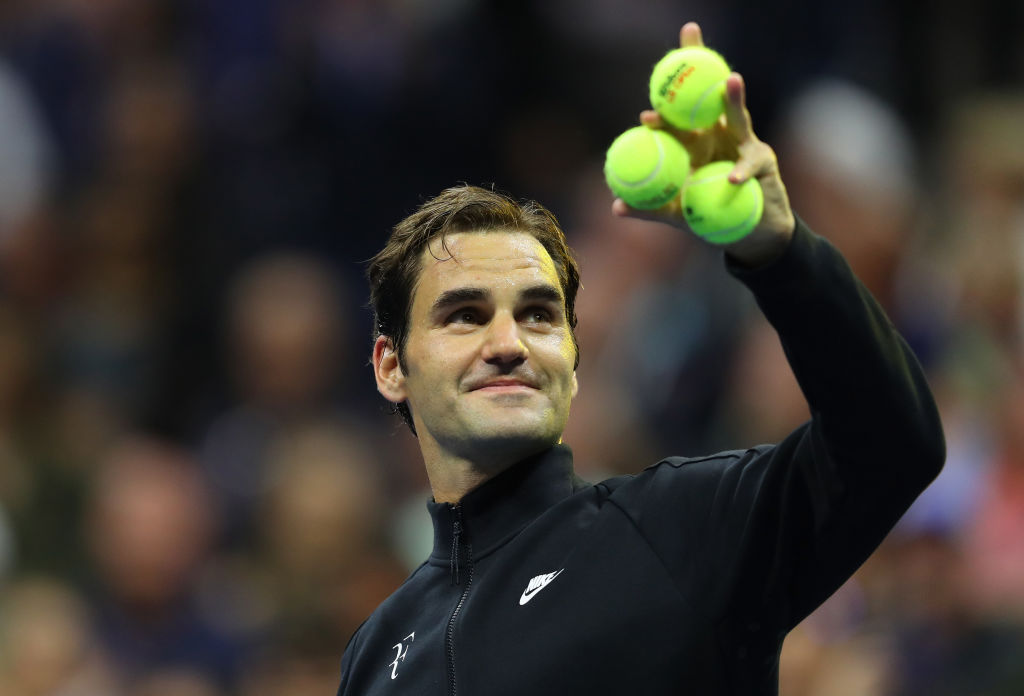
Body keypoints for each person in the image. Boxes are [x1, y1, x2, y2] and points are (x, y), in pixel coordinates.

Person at [337, 22, 945, 695]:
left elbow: (890, 447)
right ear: (391, 366)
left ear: (573, 361)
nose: (508, 343)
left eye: (539, 315)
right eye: (465, 315)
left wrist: (781, 253)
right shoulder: (377, 651)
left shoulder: (679, 527)